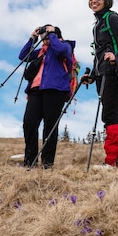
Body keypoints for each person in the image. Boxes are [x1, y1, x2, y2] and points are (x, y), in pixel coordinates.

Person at [82, 0, 118, 170]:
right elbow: (99, 54)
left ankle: (111, 162)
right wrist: (92, 76)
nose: (93, 1)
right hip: (102, 74)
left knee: (110, 115)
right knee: (116, 116)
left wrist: (116, 57)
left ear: (106, 0)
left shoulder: (112, 18)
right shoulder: (97, 24)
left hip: (112, 73)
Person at [19, 24, 74, 169]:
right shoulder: (40, 52)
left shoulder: (65, 46)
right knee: (29, 123)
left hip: (55, 89)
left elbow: (61, 50)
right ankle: (29, 161)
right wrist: (32, 38)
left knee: (50, 126)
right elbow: (23, 56)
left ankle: (47, 163)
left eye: (48, 30)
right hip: (36, 90)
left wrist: (52, 34)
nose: (45, 33)